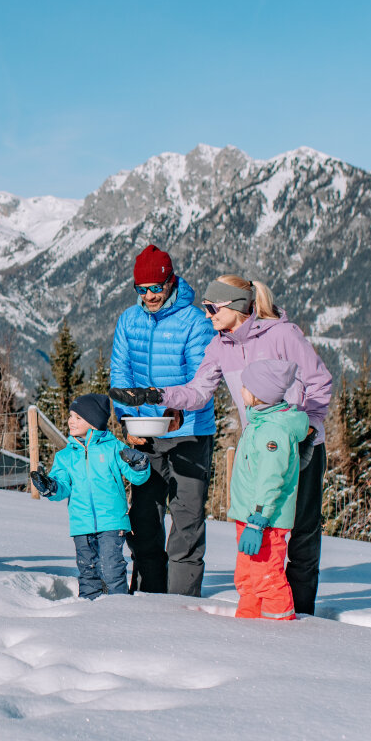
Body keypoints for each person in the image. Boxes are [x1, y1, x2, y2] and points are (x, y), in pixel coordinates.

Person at [109, 274, 333, 614]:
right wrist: (158, 394)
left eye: (213, 308)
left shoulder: (283, 335)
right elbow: (199, 392)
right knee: (261, 529)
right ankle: (263, 605)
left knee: (301, 532)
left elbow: (319, 384)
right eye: (206, 307)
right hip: (258, 447)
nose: (208, 314)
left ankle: (301, 613)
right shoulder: (219, 345)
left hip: (301, 445)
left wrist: (310, 433)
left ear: (239, 306)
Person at [109, 244, 216, 596]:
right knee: (144, 518)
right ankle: (147, 596)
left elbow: (201, 381)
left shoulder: (195, 323)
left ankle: (182, 604)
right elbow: (121, 374)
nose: (150, 296)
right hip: (146, 434)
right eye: (143, 289)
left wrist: (176, 413)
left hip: (189, 433)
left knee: (186, 521)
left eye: (156, 288)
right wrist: (127, 423)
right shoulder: (129, 320)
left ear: (170, 282)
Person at [30, 393, 152, 600]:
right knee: (88, 572)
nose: (71, 421)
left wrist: (139, 465)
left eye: (78, 417)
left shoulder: (114, 448)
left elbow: (137, 478)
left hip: (112, 522)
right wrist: (49, 487)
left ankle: (120, 609)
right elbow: (62, 487)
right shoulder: (65, 456)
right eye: (71, 416)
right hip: (81, 524)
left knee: (111, 568)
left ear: (94, 422)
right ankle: (89, 614)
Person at [227, 359, 310, 621]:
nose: (241, 391)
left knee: (266, 578)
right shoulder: (261, 424)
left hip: (265, 521)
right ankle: (249, 625)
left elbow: (270, 479)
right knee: (247, 578)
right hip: (250, 518)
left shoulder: (272, 432)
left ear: (260, 394)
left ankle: (278, 632)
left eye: (245, 387)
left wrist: (258, 519)